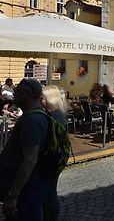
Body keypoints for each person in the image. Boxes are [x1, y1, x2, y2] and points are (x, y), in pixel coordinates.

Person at [0, 78, 51, 220]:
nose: (14, 94)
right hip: (29, 187)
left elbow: (30, 159)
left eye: (18, 91)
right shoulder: (36, 116)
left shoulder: (32, 120)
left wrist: (13, 195)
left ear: (27, 93)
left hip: (26, 190)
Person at [41, 85, 66, 221]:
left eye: (42, 98)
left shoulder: (55, 115)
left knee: (49, 192)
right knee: (49, 191)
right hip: (54, 158)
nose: (40, 100)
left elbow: (53, 140)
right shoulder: (53, 113)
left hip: (53, 159)